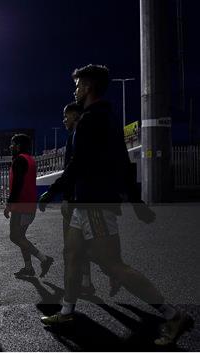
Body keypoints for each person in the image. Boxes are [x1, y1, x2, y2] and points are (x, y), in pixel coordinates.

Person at [38, 64, 193, 346]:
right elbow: (122, 161)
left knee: (113, 265)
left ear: (88, 87)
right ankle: (67, 311)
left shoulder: (90, 120)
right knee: (72, 254)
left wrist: (54, 190)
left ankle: (173, 315)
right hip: (88, 202)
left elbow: (78, 163)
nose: (75, 90)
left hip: (93, 203)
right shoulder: (107, 117)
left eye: (78, 85)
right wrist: (135, 201)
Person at [4, 134, 53, 278]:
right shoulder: (29, 159)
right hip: (28, 204)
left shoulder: (20, 160)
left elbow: (17, 186)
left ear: (18, 146)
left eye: (12, 144)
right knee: (21, 237)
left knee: (15, 236)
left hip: (21, 206)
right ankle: (28, 268)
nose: (10, 147)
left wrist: (9, 205)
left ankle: (44, 259)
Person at [61, 102, 96, 295]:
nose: (64, 120)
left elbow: (70, 171)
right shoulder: (86, 137)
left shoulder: (74, 139)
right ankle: (85, 282)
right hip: (86, 198)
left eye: (66, 116)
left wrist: (66, 197)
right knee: (84, 245)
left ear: (75, 116)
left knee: (72, 247)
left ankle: (76, 286)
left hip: (77, 199)